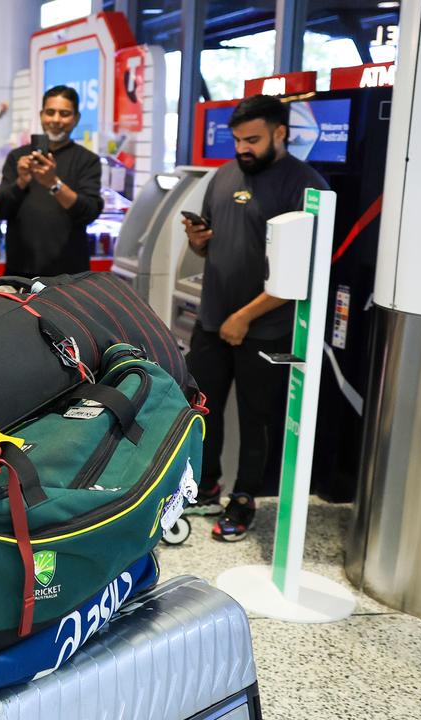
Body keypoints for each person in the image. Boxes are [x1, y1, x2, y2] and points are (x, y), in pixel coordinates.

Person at [181, 94, 329, 542]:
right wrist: (197, 239)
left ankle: (244, 499)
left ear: (280, 134)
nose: (243, 148)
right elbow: (206, 246)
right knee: (202, 408)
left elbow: (300, 272)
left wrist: (244, 317)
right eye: (238, 139)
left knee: (256, 416)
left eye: (253, 139)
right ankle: (206, 486)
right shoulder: (223, 176)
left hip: (264, 326)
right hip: (213, 319)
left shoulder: (305, 185)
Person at [0, 85, 104, 277]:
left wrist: (54, 184)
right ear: (42, 115)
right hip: (20, 272)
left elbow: (89, 212)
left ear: (76, 118)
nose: (56, 120)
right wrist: (21, 182)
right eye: (50, 112)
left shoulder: (87, 160)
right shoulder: (17, 157)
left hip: (69, 276)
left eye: (64, 113)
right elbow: (0, 209)